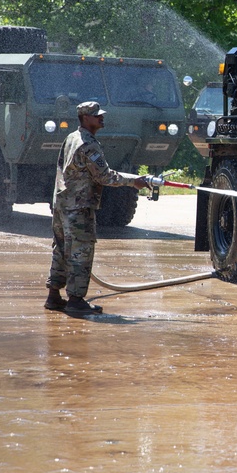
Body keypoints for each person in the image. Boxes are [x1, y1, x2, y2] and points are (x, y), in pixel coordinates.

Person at [46, 101, 150, 317]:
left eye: (101, 115)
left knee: (61, 250)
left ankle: (54, 296)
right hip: (78, 207)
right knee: (80, 252)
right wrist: (134, 181)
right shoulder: (88, 144)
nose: (101, 118)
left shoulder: (71, 138)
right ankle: (75, 300)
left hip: (62, 204)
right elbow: (105, 176)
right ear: (85, 118)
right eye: (96, 115)